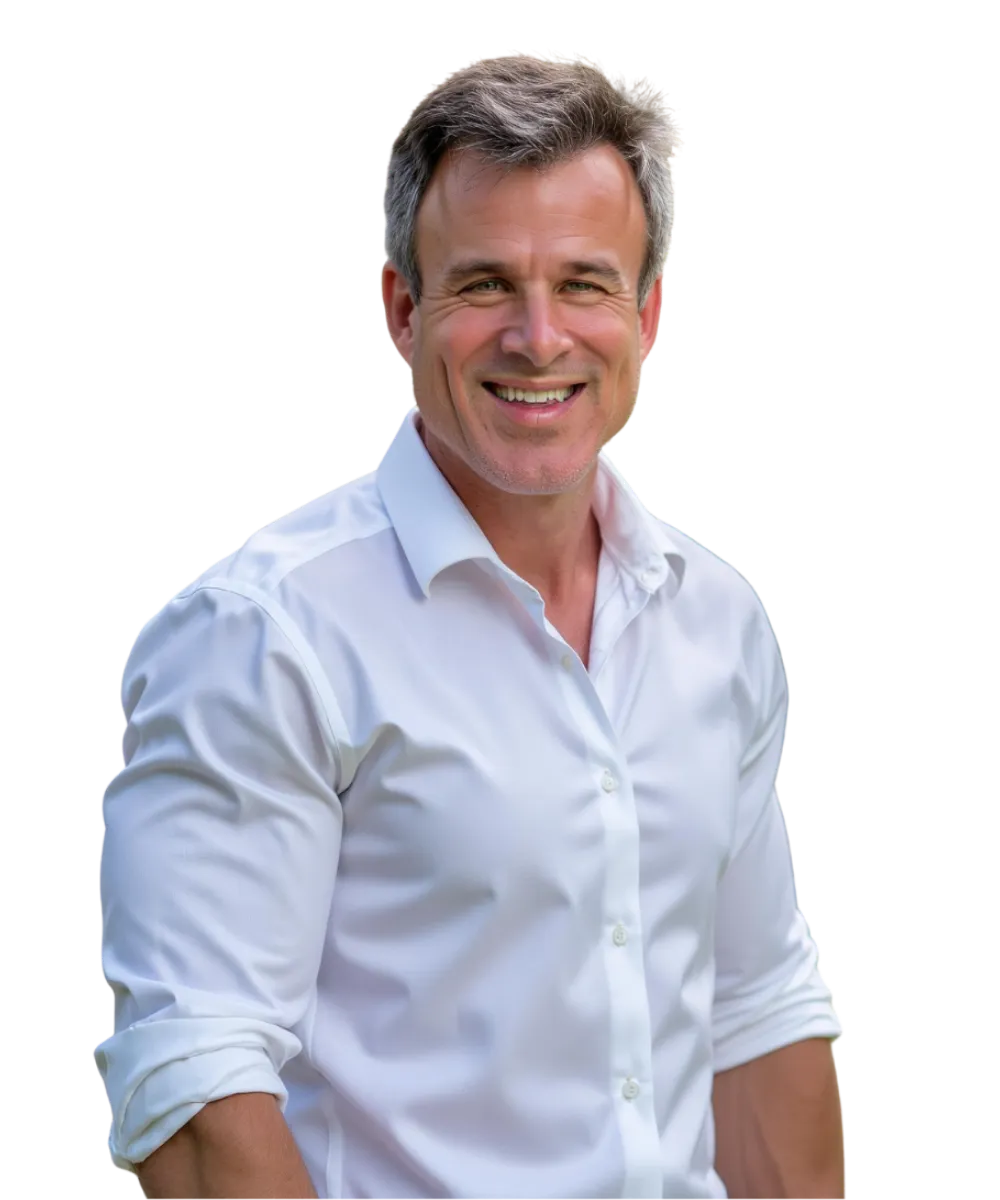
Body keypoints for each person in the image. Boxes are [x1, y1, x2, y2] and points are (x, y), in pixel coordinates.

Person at [96, 50, 844, 1200]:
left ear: (646, 313)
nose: (538, 338)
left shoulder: (718, 618)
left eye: (584, 284)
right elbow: (195, 1085)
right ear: (401, 309)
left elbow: (753, 1010)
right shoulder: (262, 636)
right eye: (486, 284)